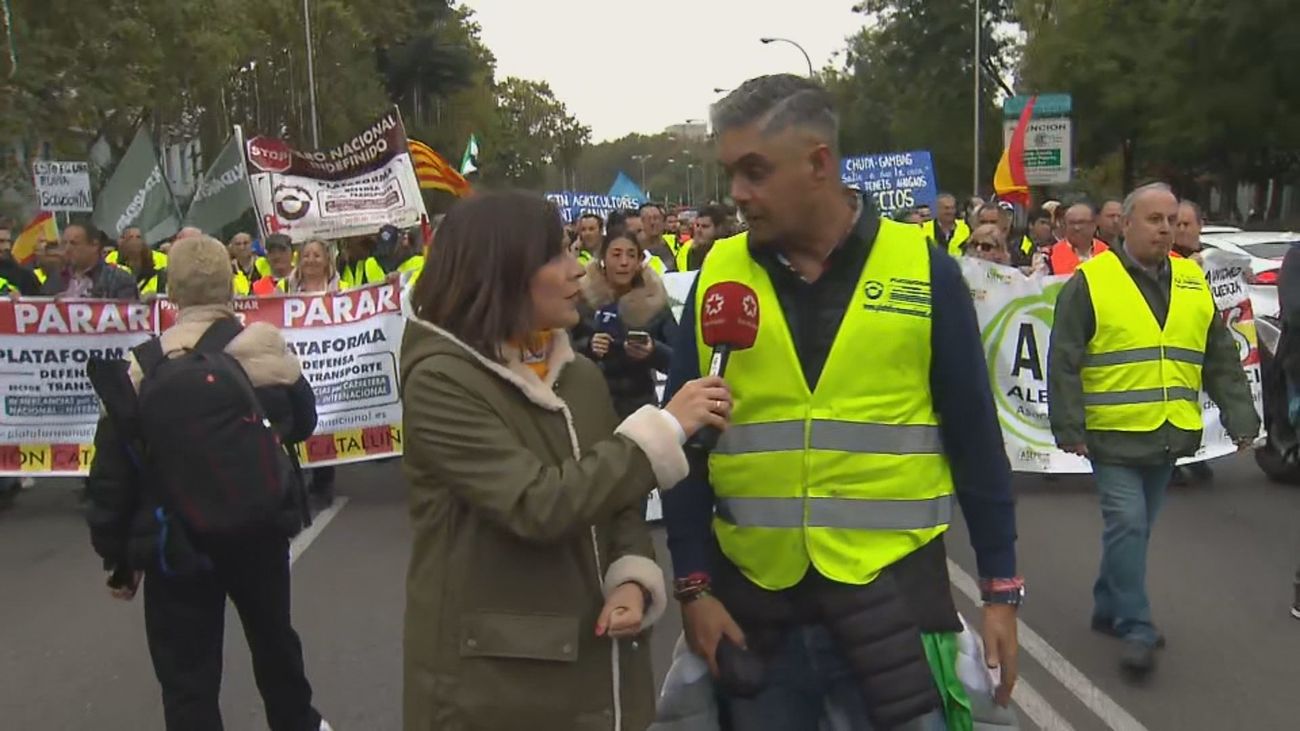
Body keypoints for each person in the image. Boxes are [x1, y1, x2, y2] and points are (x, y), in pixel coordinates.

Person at [665, 74, 1020, 730]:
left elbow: (975, 439)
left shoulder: (925, 270)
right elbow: (682, 446)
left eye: (754, 172)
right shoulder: (718, 275)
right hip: (756, 618)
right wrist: (692, 585)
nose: (737, 194)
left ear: (818, 164)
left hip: (895, 612)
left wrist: (1000, 588)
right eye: (730, 174)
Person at [399, 190, 730, 731]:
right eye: (555, 256)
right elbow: (538, 503)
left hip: (595, 675)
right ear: (501, 272)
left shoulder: (577, 375)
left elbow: (617, 500)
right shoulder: (440, 381)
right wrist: (666, 427)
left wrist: (630, 576)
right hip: (491, 693)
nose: (578, 268)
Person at [85, 234, 331, 731]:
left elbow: (114, 469)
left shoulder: (144, 365)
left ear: (172, 293)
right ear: (229, 285)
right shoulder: (263, 345)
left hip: (174, 538)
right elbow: (304, 420)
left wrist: (119, 557)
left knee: (187, 676)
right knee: (274, 644)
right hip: (258, 528)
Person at [1048, 182, 1259, 676]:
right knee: (1128, 524)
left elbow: (1220, 358)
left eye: (1171, 219)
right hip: (1112, 435)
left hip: (1169, 435)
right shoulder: (1091, 281)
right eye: (1154, 219)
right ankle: (1136, 625)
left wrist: (1241, 418)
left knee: (1135, 532)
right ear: (1125, 225)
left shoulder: (1191, 279)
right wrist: (1068, 424)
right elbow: (1064, 358)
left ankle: (1106, 605)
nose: (1165, 229)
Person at [572, 232, 676, 419]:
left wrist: (652, 351)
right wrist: (589, 346)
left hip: (640, 410)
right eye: (616, 254)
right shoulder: (582, 299)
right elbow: (561, 350)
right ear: (603, 258)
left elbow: (678, 359)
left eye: (631, 255)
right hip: (590, 409)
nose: (624, 262)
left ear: (639, 261)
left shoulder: (653, 300)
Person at [287, 239, 341, 508]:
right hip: (299, 361)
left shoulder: (341, 290)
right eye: (306, 255)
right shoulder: (284, 289)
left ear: (326, 261)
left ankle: (323, 481)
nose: (310, 260)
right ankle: (300, 478)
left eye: (316, 255)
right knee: (302, 416)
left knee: (327, 418)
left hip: (330, 363)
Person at [41, 223, 138, 299]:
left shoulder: (118, 279)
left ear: (94, 245)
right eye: (64, 243)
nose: (67, 249)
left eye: (73, 243)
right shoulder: (55, 279)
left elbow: (127, 316)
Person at [1047, 203, 1109, 275]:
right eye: (1072, 223)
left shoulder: (1107, 252)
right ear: (1064, 225)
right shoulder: (1049, 255)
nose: (1077, 228)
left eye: (1081, 222)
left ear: (1094, 225)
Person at [106, 226, 168, 297]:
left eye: (138, 237)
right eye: (130, 238)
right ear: (121, 241)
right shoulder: (111, 258)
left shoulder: (162, 258)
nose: (134, 241)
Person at [678, 205, 725, 272]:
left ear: (718, 229)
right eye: (697, 225)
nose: (698, 230)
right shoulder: (686, 249)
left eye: (705, 226)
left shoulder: (726, 252)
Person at [0, 223, 42, 296]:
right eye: (1, 241)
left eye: (8, 242)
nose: (6, 247)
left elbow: (37, 303)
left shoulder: (26, 277)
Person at [638, 202, 676, 273]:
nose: (652, 222)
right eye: (647, 219)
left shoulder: (675, 244)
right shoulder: (636, 250)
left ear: (663, 221)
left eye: (656, 218)